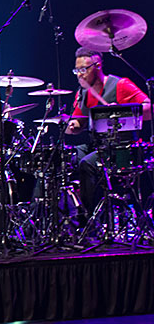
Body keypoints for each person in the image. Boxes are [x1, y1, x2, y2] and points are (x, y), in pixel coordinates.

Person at [65, 47, 151, 215]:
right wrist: (72, 125)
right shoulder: (82, 93)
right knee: (67, 157)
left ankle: (91, 219)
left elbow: (149, 109)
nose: (79, 74)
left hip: (122, 149)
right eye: (77, 70)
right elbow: (78, 123)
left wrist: (121, 111)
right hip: (98, 145)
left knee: (87, 164)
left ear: (97, 66)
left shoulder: (120, 85)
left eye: (83, 69)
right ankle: (75, 212)